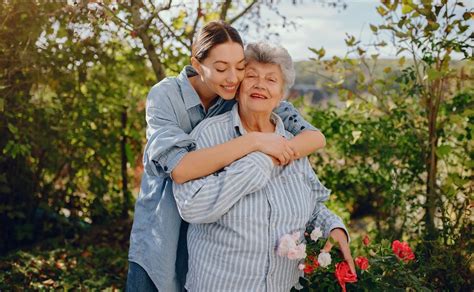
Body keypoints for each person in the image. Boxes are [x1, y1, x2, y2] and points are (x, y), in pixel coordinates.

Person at [127, 22, 326, 291]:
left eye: (240, 66)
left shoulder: (239, 92)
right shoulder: (166, 96)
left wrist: (274, 155)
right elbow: (181, 169)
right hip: (165, 226)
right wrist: (255, 142)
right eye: (221, 68)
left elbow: (314, 137)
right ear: (197, 65)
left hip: (212, 233)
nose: (233, 77)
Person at [173, 42, 355, 292]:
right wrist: (260, 158)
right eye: (251, 76)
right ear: (238, 87)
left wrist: (333, 226)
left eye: (271, 79)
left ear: (281, 95)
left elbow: (310, 206)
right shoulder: (209, 135)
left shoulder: (293, 144)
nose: (260, 84)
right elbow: (191, 207)